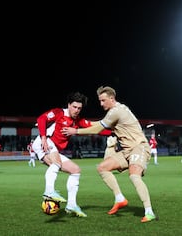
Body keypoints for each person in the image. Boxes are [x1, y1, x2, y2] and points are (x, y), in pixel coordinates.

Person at [61, 86, 157, 223]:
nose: (101, 104)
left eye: (103, 100)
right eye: (100, 100)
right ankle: (120, 198)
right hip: (126, 151)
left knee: (134, 176)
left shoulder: (116, 112)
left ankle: (149, 211)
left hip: (139, 147)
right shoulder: (115, 110)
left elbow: (97, 129)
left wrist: (75, 131)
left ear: (112, 99)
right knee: (102, 167)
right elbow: (98, 124)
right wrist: (79, 123)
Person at [33, 91, 111, 218]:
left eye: (79, 108)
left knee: (75, 170)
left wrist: (113, 131)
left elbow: (93, 128)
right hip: (45, 141)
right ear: (69, 105)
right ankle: (49, 191)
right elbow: (41, 118)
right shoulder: (59, 113)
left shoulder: (77, 121)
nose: (76, 110)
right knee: (56, 162)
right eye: (74, 107)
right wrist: (42, 137)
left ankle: (72, 204)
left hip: (53, 148)